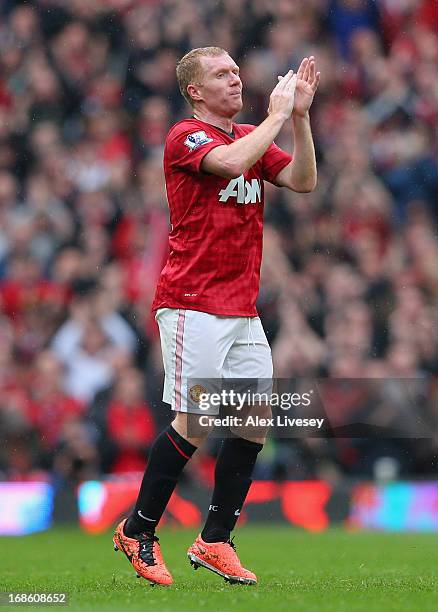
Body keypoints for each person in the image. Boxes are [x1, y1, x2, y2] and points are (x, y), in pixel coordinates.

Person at [113, 46, 320, 586]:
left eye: (235, 71)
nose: (235, 80)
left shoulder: (249, 134)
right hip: (192, 303)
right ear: (195, 91)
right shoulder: (187, 136)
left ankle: (214, 541)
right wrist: (276, 115)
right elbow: (229, 164)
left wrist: (298, 119)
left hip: (241, 307)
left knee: (253, 422)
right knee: (198, 420)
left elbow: (302, 181)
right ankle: (138, 529)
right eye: (220, 75)